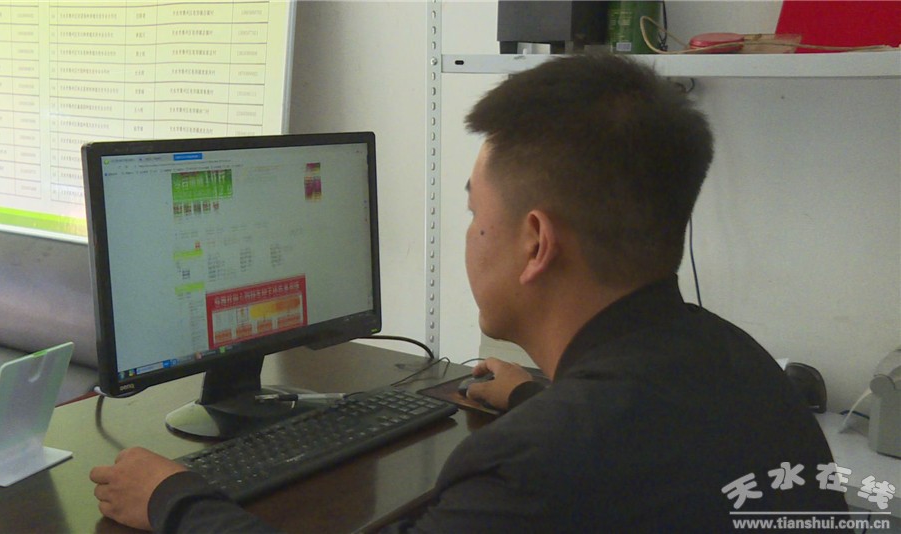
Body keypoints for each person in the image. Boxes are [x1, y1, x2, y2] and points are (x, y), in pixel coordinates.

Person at [91, 54, 849, 532]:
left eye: (473, 212)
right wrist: (534, 395)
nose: (469, 235)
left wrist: (174, 499)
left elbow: (581, 461)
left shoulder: (536, 467)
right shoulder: (736, 360)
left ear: (535, 243)